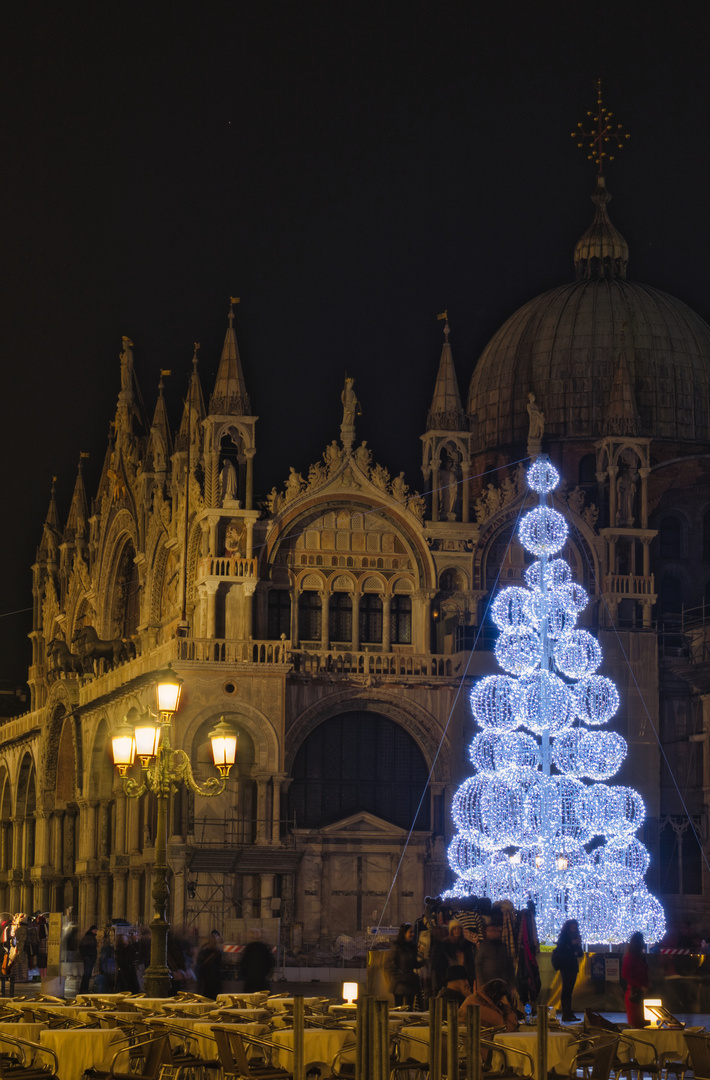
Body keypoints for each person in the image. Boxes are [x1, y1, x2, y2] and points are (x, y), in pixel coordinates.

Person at [385, 923, 424, 1008]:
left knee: (409, 1007)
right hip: (400, 984)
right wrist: (397, 974)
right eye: (410, 932)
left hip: (410, 982)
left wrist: (423, 962)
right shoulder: (397, 947)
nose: (412, 934)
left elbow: (413, 964)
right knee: (399, 1007)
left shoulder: (412, 947)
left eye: (413, 932)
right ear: (404, 933)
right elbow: (389, 963)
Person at [553, 919, 583, 1022]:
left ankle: (568, 1011)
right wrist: (573, 944)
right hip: (565, 965)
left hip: (572, 965)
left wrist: (577, 946)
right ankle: (566, 1012)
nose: (574, 930)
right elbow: (561, 949)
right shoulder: (564, 937)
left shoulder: (575, 937)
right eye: (572, 928)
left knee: (569, 989)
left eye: (575, 928)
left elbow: (580, 953)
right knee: (566, 988)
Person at [475, 920, 514, 991]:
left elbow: (509, 966)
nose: (492, 933)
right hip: (487, 983)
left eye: (494, 930)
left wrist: (512, 984)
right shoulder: (483, 946)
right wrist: (481, 984)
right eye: (490, 931)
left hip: (502, 983)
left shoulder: (503, 947)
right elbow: (478, 965)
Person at [622, 931, 650, 1028]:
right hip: (637, 992)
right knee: (639, 1022)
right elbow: (626, 974)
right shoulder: (635, 957)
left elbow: (626, 974)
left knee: (638, 1023)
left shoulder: (633, 957)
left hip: (637, 991)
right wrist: (642, 986)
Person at [196, 930, 224, 1000]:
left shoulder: (204, 952)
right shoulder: (218, 953)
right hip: (214, 982)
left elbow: (200, 967)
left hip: (207, 982)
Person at [78, 924, 98, 993]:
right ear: (93, 930)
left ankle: (84, 988)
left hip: (89, 958)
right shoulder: (89, 937)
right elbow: (83, 947)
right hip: (88, 958)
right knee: (87, 974)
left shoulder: (90, 937)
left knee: (88, 974)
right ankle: (83, 989)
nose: (96, 932)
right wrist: (86, 956)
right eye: (95, 930)